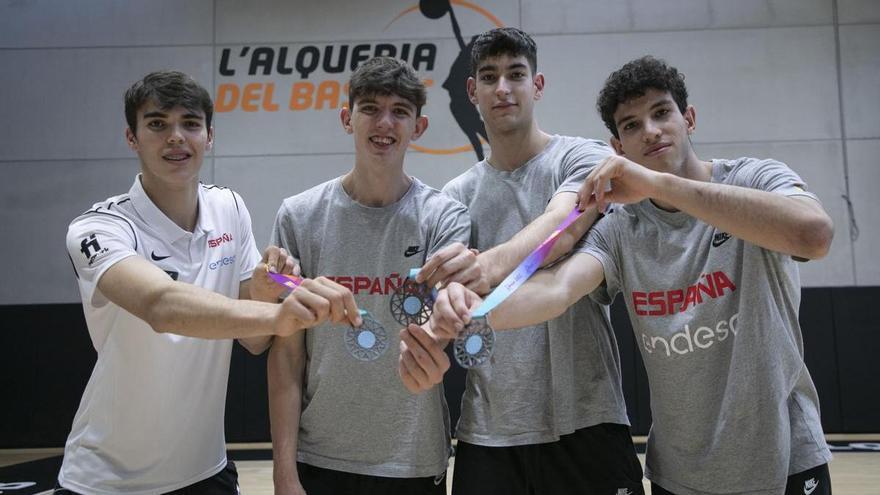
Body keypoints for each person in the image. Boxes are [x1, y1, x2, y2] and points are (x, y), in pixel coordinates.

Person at [431, 56, 835, 495]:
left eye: (661, 113)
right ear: (618, 147)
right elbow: (557, 290)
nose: (651, 131)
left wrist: (656, 184)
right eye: (631, 125)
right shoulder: (623, 227)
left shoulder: (756, 178)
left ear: (690, 118)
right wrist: (476, 309)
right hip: (679, 475)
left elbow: (814, 236)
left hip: (787, 460)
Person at [58, 70, 358, 494]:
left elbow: (252, 338)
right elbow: (161, 307)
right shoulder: (99, 228)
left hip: (206, 473)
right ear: (132, 137)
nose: (176, 137)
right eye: (158, 123)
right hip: (106, 480)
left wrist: (268, 288)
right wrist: (278, 314)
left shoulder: (228, 207)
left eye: (190, 123)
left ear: (209, 136)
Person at [401, 28, 644, 495]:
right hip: (490, 434)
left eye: (516, 74)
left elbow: (563, 224)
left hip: (588, 422)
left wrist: (485, 268)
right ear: (472, 91)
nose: (503, 88)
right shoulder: (454, 198)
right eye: (489, 77)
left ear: (538, 85)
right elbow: (437, 299)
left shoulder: (581, 157)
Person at [265, 56, 475, 495]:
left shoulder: (445, 217)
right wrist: (283, 473)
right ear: (347, 119)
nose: (385, 123)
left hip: (413, 459)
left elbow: (443, 325)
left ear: (418, 126)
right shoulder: (299, 216)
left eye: (400, 111)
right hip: (319, 456)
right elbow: (286, 355)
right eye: (370, 109)